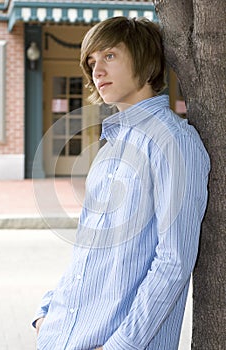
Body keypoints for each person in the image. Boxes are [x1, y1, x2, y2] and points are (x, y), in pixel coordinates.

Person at [33, 17, 210, 349]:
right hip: (60, 336)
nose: (96, 70)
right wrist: (46, 314)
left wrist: (121, 346)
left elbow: (174, 261)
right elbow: (88, 253)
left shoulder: (173, 142)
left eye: (109, 56)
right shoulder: (111, 147)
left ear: (144, 60)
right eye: (91, 62)